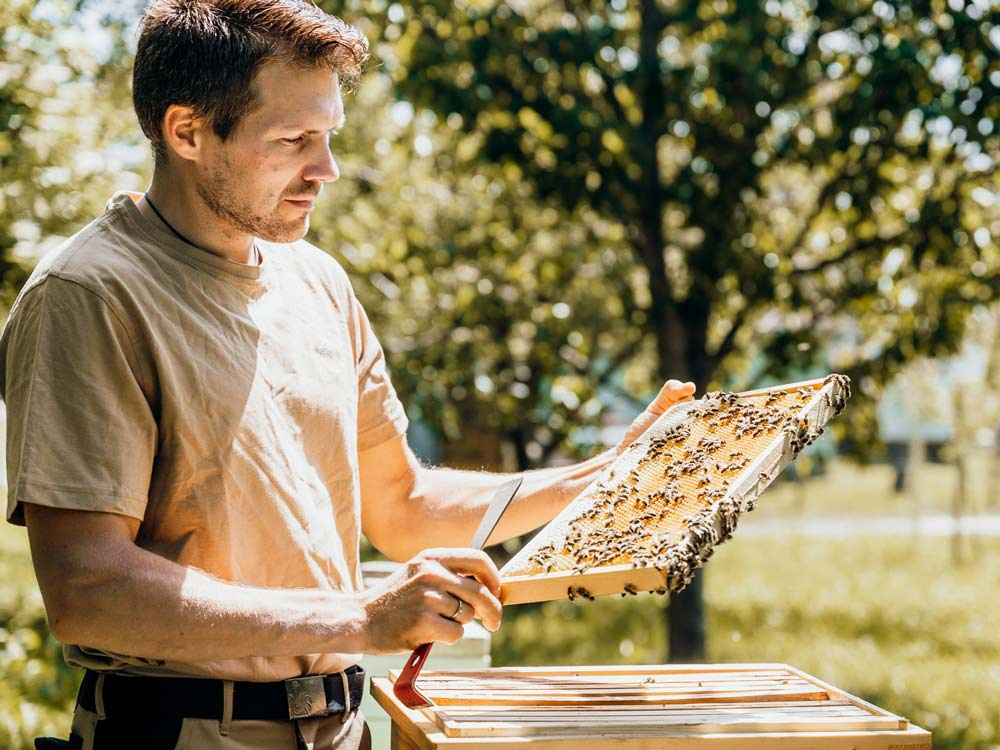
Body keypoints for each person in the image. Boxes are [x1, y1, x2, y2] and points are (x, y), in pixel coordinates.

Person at [0, 1, 695, 748]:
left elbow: (401, 502)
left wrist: (606, 476)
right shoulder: (90, 295)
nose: (325, 170)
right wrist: (364, 618)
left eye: (327, 136)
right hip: (180, 732)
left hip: (340, 730)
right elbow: (89, 590)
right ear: (187, 131)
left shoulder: (317, 281)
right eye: (295, 139)